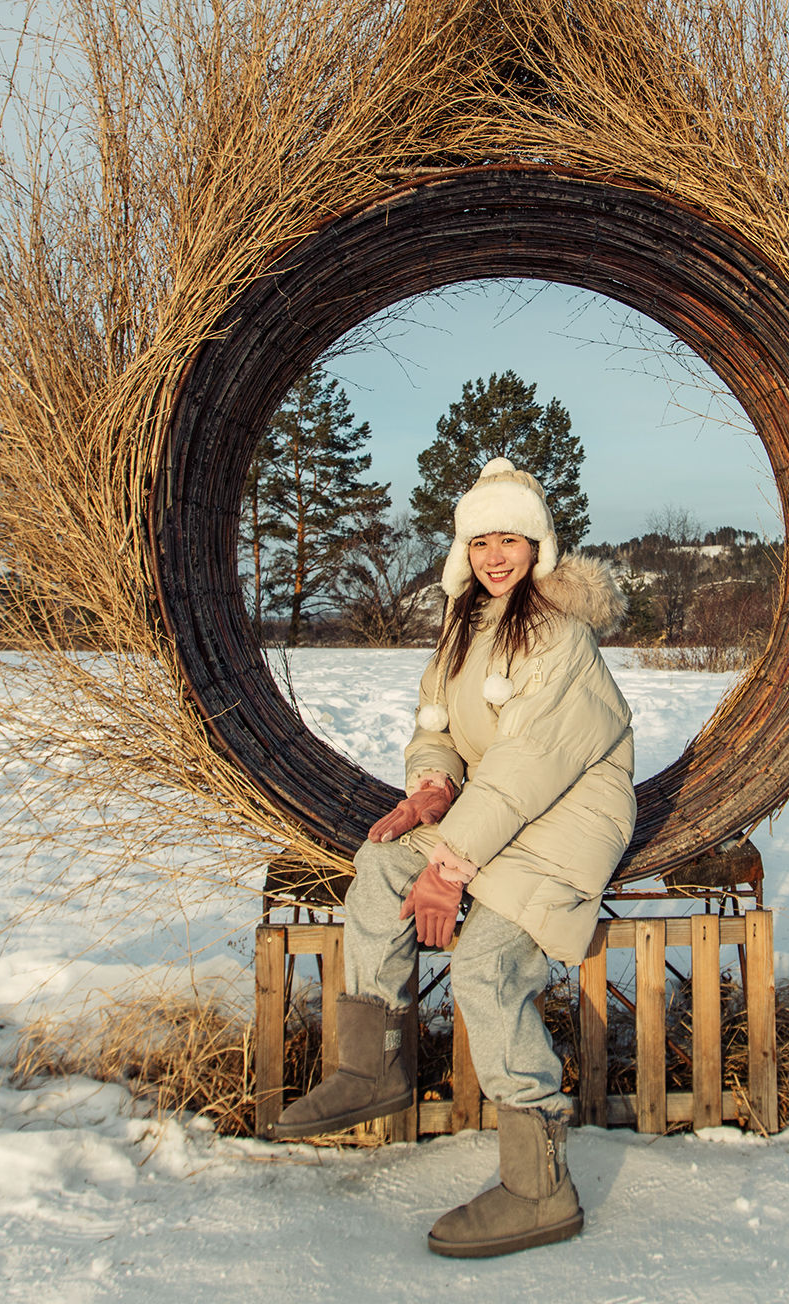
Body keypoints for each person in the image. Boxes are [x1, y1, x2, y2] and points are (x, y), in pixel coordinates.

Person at [267, 457, 633, 1260]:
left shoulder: (560, 638)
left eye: (511, 539)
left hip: (564, 819)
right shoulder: (463, 631)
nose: (495, 555)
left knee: (484, 970)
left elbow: (527, 765)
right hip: (489, 811)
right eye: (480, 541)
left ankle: (540, 1189)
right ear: (463, 551)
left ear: (538, 548)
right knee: (380, 867)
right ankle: (374, 1067)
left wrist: (452, 863)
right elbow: (435, 722)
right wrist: (431, 785)